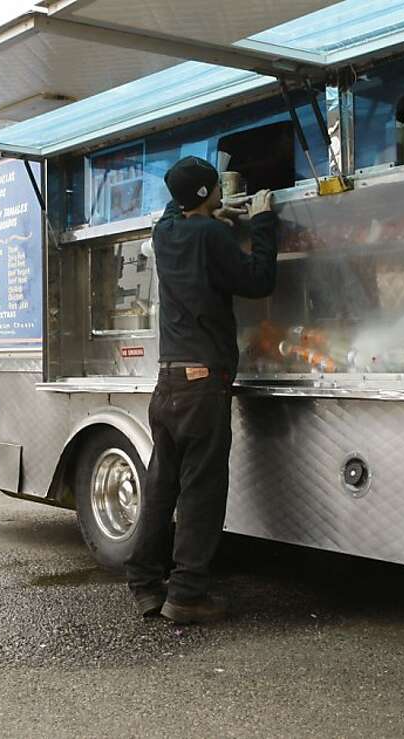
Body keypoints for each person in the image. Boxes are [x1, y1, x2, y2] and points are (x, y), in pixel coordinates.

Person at [125, 156, 278, 624]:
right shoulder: (210, 235)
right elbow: (259, 281)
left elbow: (177, 209)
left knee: (161, 485)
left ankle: (145, 583)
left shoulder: (165, 233)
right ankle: (187, 595)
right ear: (208, 192)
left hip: (168, 381)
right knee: (201, 491)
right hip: (203, 383)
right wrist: (263, 222)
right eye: (215, 189)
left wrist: (211, 210)